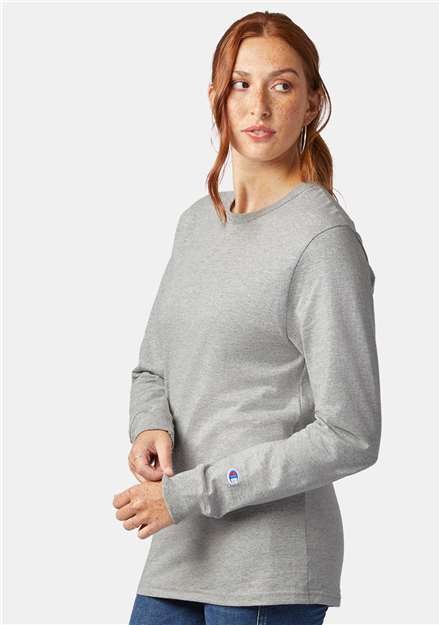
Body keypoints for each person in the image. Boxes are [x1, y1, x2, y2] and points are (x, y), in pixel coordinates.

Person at [113, 10, 382, 625]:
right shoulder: (197, 223)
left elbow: (350, 434)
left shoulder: (322, 242)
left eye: (282, 85)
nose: (258, 105)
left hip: (269, 569)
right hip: (179, 548)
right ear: (217, 96)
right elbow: (153, 366)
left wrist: (191, 491)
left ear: (312, 103)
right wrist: (149, 425)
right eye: (241, 83)